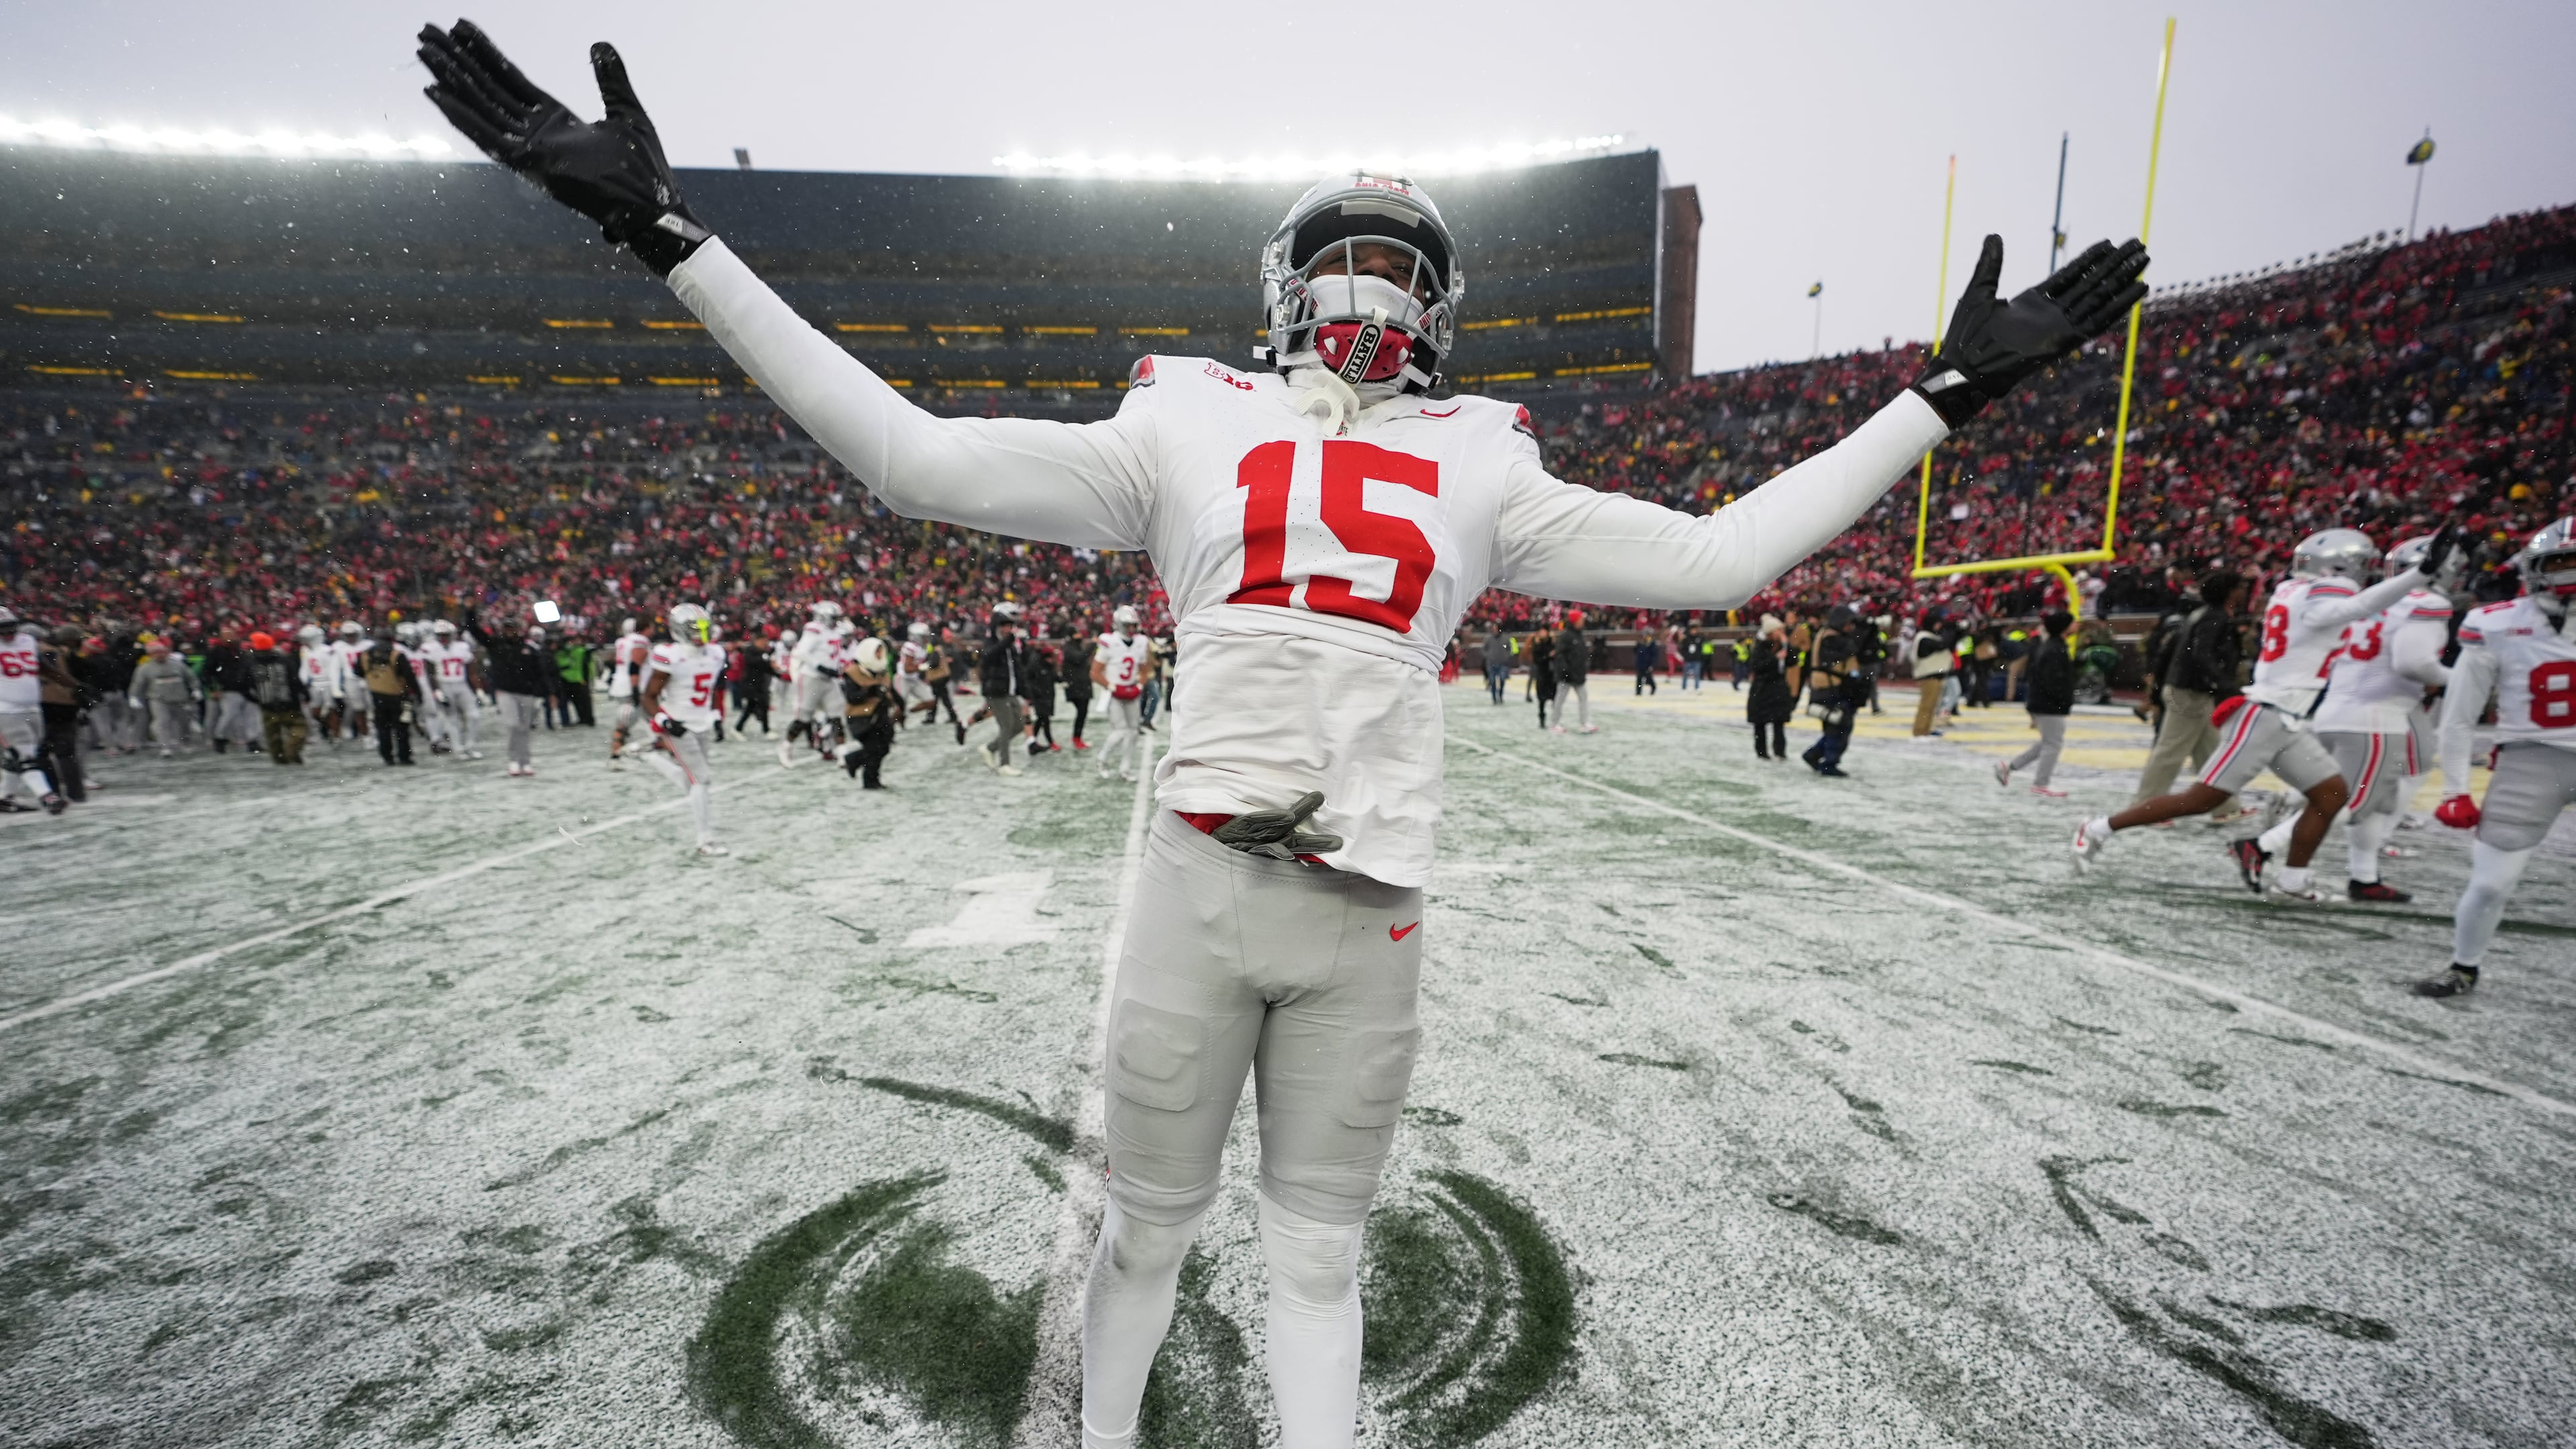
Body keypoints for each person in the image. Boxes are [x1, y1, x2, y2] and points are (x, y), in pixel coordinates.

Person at [416, 31, 2149, 1442]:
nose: (1371, 291)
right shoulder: (1182, 416)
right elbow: (915, 458)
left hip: (1369, 909)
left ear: (1441, 306)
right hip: (1197, 881)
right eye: (1347, 260)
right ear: (1284, 285)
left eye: (1401, 267)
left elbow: (1725, 560)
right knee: (1149, 1236)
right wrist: (667, 234)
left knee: (1318, 1266)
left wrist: (1946, 395)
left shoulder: (1489, 456)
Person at [2074, 528, 2458, 899]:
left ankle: (2293, 879)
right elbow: (2354, 607)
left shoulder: (2291, 589)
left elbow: (2350, 609)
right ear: (2342, 567)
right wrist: (2418, 576)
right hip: (2267, 715)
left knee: (2331, 794)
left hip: (2287, 717)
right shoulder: (2325, 593)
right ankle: (2098, 828)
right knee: (2201, 799)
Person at [2416, 519, 2576, 998]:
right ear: (2535, 569)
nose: (2571, 572)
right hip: (2532, 760)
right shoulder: (2499, 623)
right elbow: (2460, 717)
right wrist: (2456, 790)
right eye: (2562, 561)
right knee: (2491, 885)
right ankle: (2464, 967)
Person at [2295, 534, 2460, 903]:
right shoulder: (2426, 602)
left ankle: (2364, 876)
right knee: (2359, 800)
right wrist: (2466, 679)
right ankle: (2265, 845)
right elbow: (2413, 664)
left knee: (2365, 796)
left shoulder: (2370, 600)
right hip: (2380, 713)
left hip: (2335, 707)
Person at [2127, 574, 2242, 814]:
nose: (2244, 592)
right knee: (2170, 752)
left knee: (2209, 753)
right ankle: (2144, 807)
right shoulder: (2214, 618)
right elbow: (2203, 655)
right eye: (2240, 587)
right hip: (2191, 692)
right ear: (2229, 592)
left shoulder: (2201, 615)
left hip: (2190, 689)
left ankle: (2226, 807)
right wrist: (2224, 683)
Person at [638, 601, 729, 855]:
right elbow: (648, 697)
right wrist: (665, 722)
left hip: (702, 722)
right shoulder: (670, 654)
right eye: (695, 629)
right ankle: (705, 840)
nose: (701, 634)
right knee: (702, 778)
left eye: (703, 628)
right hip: (679, 723)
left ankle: (651, 758)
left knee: (693, 779)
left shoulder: (716, 653)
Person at [466, 609, 556, 777]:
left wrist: (549, 693)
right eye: (506, 628)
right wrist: (470, 611)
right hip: (506, 692)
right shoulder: (497, 645)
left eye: (512, 628)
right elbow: (474, 631)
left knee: (524, 729)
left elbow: (540, 673)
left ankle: (526, 761)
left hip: (527, 693)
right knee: (513, 726)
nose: (509, 631)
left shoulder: (528, 649)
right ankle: (514, 760)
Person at [1995, 610, 2074, 796]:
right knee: (2053, 744)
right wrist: (2061, 699)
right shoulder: (2054, 649)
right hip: (2049, 704)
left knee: (2046, 743)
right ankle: (2041, 783)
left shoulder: (2051, 646)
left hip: (2045, 703)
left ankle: (2009, 767)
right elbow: (2051, 680)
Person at [0, 607, 67, 814]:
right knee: (26, 755)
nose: (9, 632)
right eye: (3, 629)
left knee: (18, 756)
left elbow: (44, 668)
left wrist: (76, 687)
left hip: (33, 708)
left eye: (11, 626)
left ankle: (4, 797)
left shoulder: (27, 641)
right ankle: (48, 796)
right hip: (7, 710)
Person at [1800, 604, 1864, 776]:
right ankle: (1829, 763)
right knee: (1839, 726)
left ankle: (1815, 754)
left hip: (1826, 688)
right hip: (1829, 689)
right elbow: (1851, 649)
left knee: (1836, 726)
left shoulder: (1825, 635)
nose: (1851, 627)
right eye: (1849, 623)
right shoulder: (1832, 638)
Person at [1093, 604, 1151, 783]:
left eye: (1134, 625)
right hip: (1114, 692)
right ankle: (1102, 760)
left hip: (1131, 690)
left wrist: (1139, 686)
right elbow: (1095, 672)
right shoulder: (1109, 641)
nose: (1132, 629)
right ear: (1119, 624)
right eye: (1128, 625)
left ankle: (1125, 769)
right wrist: (1113, 687)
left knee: (1133, 732)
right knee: (1119, 732)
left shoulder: (1141, 642)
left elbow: (1145, 669)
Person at [836, 634, 902, 788]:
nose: (879, 656)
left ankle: (854, 761)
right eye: (876, 652)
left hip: (880, 715)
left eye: (881, 652)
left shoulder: (882, 670)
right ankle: (870, 780)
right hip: (862, 717)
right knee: (874, 748)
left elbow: (890, 689)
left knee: (883, 747)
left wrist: (900, 703)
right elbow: (852, 697)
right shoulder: (853, 672)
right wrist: (870, 692)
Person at [973, 603, 1030, 776]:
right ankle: (1005, 764)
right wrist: (1007, 642)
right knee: (1006, 726)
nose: (1008, 629)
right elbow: (988, 657)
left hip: (1010, 690)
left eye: (1010, 626)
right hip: (996, 691)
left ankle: (989, 748)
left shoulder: (1010, 646)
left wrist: (1026, 692)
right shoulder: (991, 642)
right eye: (1005, 626)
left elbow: (1018, 669)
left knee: (1019, 725)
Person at [358, 629, 422, 765]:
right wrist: (418, 693)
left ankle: (387, 756)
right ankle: (404, 756)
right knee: (402, 728)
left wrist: (375, 677)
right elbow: (409, 676)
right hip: (397, 696)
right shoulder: (396, 655)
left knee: (383, 728)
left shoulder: (365, 655)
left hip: (377, 695)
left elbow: (358, 671)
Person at [129, 636, 199, 757]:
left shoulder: (177, 665)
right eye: (156, 653)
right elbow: (138, 683)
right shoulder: (145, 668)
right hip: (159, 700)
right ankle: (165, 747)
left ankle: (185, 743)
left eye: (161, 652)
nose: (159, 655)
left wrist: (196, 689)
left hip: (180, 698)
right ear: (151, 655)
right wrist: (134, 697)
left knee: (184, 723)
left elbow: (191, 677)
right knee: (162, 723)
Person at [246, 631, 309, 765]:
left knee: (273, 738)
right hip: (289, 706)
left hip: (268, 707)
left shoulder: (251, 664)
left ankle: (281, 759)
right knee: (299, 729)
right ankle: (291, 751)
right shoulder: (284, 660)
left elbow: (243, 683)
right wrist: (304, 693)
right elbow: (295, 680)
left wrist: (255, 698)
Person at [423, 619, 484, 759]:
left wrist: (479, 689)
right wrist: (437, 691)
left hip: (461, 684)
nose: (443, 638)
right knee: (451, 718)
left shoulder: (462, 647)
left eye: (445, 635)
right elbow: (430, 673)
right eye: (440, 635)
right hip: (444, 684)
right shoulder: (431, 648)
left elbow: (472, 671)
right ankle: (458, 749)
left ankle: (470, 746)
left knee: (474, 715)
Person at [1746, 616, 1793, 760]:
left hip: (1778, 689)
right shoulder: (1760, 646)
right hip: (1762, 689)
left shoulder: (1783, 645)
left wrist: (1787, 646)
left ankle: (1780, 751)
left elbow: (1793, 661)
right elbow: (1757, 667)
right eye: (1778, 631)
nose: (1781, 633)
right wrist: (1775, 659)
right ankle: (1762, 752)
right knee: (1760, 723)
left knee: (1779, 723)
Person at [1552, 614, 1595, 733]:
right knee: (1560, 699)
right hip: (1566, 676)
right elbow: (1560, 656)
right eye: (1581, 619)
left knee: (1583, 697)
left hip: (1578, 674)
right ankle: (1555, 723)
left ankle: (1585, 722)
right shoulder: (1566, 636)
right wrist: (1565, 671)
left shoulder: (1579, 635)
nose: (1583, 622)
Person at [1059, 628, 1097, 751]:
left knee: (1083, 712)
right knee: (1081, 712)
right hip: (1077, 686)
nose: (1080, 635)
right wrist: (1092, 645)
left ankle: (1077, 738)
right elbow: (1079, 658)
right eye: (1077, 633)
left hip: (1082, 685)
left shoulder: (1075, 646)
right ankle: (1076, 738)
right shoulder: (1069, 648)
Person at [1529, 621, 1556, 729]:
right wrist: (1548, 656)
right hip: (1542, 675)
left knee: (1554, 699)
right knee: (1542, 700)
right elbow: (1537, 660)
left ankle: (1555, 720)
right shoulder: (1537, 646)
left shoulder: (1552, 644)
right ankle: (1542, 719)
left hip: (1552, 676)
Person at [1481, 627, 1511, 704]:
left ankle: (1500, 696)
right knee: (1492, 681)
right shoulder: (1489, 639)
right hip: (1491, 664)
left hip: (1502, 663)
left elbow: (1509, 648)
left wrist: (1506, 656)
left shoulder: (1506, 638)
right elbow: (1484, 649)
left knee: (1502, 680)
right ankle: (1494, 697)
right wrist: (1488, 656)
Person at [1630, 621, 1657, 696]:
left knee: (1648, 678)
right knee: (1639, 679)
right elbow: (1635, 651)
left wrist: (1652, 664)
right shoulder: (1641, 642)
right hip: (1640, 664)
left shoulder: (1652, 643)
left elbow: (1654, 655)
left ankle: (1653, 687)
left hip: (1647, 664)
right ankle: (1638, 693)